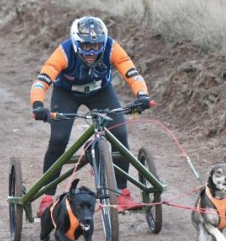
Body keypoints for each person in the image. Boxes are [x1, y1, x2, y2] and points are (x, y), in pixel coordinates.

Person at [30, 15, 151, 216]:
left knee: (119, 134)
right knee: (58, 139)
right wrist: (37, 105)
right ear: (77, 43)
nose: (93, 52)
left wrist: (142, 95)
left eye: (97, 45)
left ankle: (122, 193)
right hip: (66, 93)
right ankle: (47, 198)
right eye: (86, 46)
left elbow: (131, 72)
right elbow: (42, 80)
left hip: (101, 92)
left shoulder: (112, 47)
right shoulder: (64, 52)